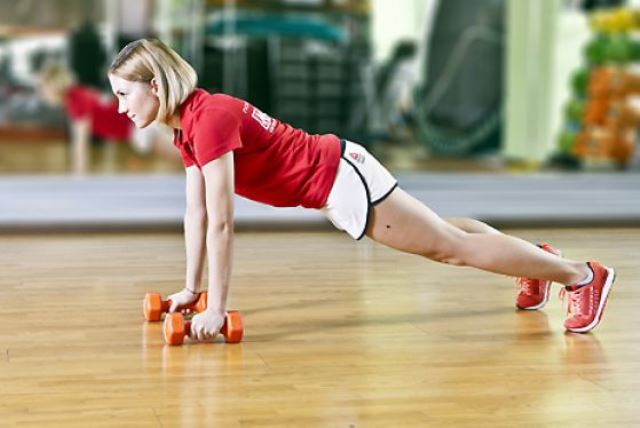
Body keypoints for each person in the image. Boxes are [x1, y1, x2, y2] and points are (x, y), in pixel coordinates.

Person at [107, 38, 615, 341]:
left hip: (338, 180)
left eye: (124, 93)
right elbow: (195, 215)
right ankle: (536, 259)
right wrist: (193, 292)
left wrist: (217, 307)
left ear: (155, 84)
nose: (120, 107)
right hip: (337, 172)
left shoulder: (210, 118)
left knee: (450, 248)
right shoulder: (188, 125)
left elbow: (221, 222)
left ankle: (581, 275)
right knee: (444, 233)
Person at [38, 63, 167, 174]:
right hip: (137, 121)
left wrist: (78, 176)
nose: (43, 95)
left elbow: (80, 145)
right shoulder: (78, 94)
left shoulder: (76, 103)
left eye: (44, 90)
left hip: (137, 123)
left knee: (178, 153)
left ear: (53, 87)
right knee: (176, 153)